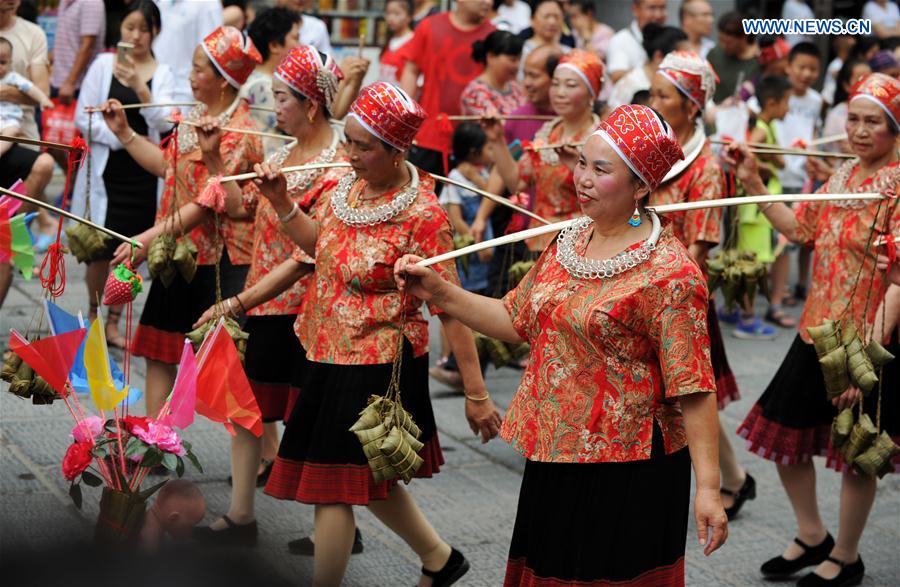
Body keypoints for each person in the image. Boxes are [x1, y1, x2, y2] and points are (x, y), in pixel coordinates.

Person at [396, 103, 728, 587]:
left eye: (601, 169)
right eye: (582, 163)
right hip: (554, 449)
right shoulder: (571, 240)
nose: (583, 179)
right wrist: (439, 291)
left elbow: (694, 388)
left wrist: (710, 490)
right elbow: (515, 317)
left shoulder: (671, 274)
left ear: (640, 187)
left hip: (627, 465)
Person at [243, 82, 500, 586]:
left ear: (396, 149)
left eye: (363, 146)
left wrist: (476, 393)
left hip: (377, 361)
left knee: (334, 486)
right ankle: (440, 559)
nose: (351, 154)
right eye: (350, 141)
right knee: (367, 477)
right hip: (324, 348)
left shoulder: (425, 216)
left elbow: (449, 309)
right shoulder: (346, 190)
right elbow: (320, 248)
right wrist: (281, 203)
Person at [725, 72, 900, 587]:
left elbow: (898, 282)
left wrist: (864, 360)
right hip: (814, 332)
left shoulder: (898, 186)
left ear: (895, 128)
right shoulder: (843, 175)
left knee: (857, 455)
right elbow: (800, 229)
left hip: (867, 337)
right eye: (855, 119)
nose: (861, 131)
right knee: (786, 436)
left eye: (876, 122)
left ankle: (846, 555)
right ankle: (811, 534)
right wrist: (756, 182)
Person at [191, 45, 349, 547]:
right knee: (246, 413)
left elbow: (318, 246)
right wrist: (215, 156)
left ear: (311, 104)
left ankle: (341, 525)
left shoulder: (340, 168)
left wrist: (282, 202)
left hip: (310, 311)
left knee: (316, 422)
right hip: (264, 303)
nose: (273, 107)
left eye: (281, 98)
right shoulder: (278, 154)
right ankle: (241, 516)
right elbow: (238, 210)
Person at [101, 25, 264, 421]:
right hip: (178, 251)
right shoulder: (195, 117)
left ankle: (265, 452)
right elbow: (167, 168)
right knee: (159, 352)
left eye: (199, 69)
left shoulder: (241, 131)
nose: (190, 76)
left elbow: (209, 201)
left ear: (224, 81)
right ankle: (157, 438)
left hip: (217, 258)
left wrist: (148, 237)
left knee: (224, 365)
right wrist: (124, 133)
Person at [649, 50, 756, 519]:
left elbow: (700, 245)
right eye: (653, 93)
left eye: (663, 95)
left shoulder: (705, 167)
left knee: (688, 393)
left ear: (691, 105)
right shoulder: (654, 147)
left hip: (678, 297)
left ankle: (724, 479)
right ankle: (731, 478)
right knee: (668, 393)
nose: (654, 102)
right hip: (644, 288)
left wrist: (662, 293)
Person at [72, 0, 174, 348]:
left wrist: (141, 88)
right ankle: (93, 316)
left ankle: (113, 321)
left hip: (146, 177)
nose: (136, 35)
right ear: (121, 30)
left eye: (144, 29)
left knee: (132, 251)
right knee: (101, 251)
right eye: (130, 28)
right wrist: (121, 140)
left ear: (155, 32)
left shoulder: (163, 72)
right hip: (108, 173)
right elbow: (82, 118)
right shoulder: (102, 65)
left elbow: (165, 122)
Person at [474, 49, 603, 251]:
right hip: (538, 245)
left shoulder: (600, 140)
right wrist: (497, 139)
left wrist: (578, 169)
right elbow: (517, 182)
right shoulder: (547, 133)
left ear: (592, 93)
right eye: (555, 84)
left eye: (570, 85)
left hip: (581, 245)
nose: (560, 93)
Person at [399, 0, 494, 177]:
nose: (488, 2)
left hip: (474, 144)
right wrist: (404, 118)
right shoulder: (430, 26)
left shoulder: (493, 36)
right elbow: (411, 69)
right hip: (428, 136)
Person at [243, 5, 301, 157]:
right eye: (295, 38)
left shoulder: (253, 79)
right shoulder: (263, 87)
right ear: (274, 45)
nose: (300, 46)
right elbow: (306, 126)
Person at [152, 0, 223, 108]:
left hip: (185, 95)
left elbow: (210, 53)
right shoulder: (161, 3)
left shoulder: (208, 4)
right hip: (155, 87)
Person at [608, 23, 688, 111]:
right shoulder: (631, 86)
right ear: (659, 56)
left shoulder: (681, 83)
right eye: (680, 58)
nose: (686, 63)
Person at [0, 37, 52, 158]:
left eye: (2, 62)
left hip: (9, 119)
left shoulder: (12, 77)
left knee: (11, 131)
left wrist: (43, 99)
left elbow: (30, 88)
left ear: (10, 62)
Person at [49, 0, 105, 104]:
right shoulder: (65, 2)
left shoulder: (92, 2)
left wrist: (70, 83)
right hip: (59, 80)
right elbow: (66, 39)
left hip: (78, 85)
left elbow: (88, 45)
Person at [460, 29, 524, 116]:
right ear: (491, 57)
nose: (517, 65)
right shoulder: (475, 93)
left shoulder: (515, 87)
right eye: (512, 60)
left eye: (519, 59)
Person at [607, 0, 668, 84]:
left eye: (662, 8)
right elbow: (617, 76)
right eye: (652, 8)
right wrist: (650, 69)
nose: (658, 15)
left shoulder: (671, 37)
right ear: (635, 9)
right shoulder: (621, 40)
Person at [140, 479, 206, 553]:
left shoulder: (151, 521)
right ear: (173, 518)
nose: (190, 531)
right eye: (190, 526)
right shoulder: (150, 540)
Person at [707, 11, 759, 104]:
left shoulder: (759, 62)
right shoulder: (715, 55)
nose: (723, 46)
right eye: (720, 40)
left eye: (728, 42)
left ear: (744, 38)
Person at [822, 59, 872, 155]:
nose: (866, 85)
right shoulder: (837, 114)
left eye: (869, 79)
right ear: (846, 85)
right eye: (860, 80)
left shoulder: (878, 112)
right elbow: (828, 151)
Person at [517, 0, 573, 77]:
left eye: (556, 17)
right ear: (532, 19)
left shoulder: (569, 53)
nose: (552, 22)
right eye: (546, 16)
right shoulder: (520, 52)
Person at [379, 0, 414, 85]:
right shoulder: (389, 41)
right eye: (388, 13)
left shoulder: (413, 41)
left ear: (409, 17)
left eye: (396, 14)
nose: (391, 18)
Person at [822, 36, 856, 106]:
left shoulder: (846, 63)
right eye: (851, 50)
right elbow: (838, 76)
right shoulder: (836, 63)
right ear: (843, 50)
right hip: (830, 98)